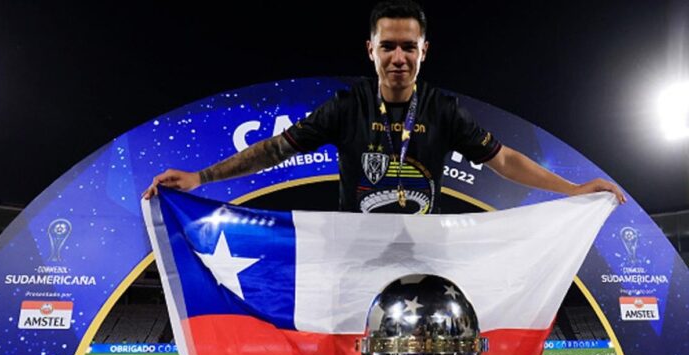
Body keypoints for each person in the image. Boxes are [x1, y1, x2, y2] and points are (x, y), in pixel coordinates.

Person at [142, 0, 625, 211]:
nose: (399, 57)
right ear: (370, 50)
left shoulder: (442, 109)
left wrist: (572, 190)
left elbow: (504, 159)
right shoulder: (346, 107)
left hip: (423, 255)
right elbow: (272, 150)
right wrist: (200, 177)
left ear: (424, 52)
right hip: (356, 255)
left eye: (408, 47)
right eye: (388, 46)